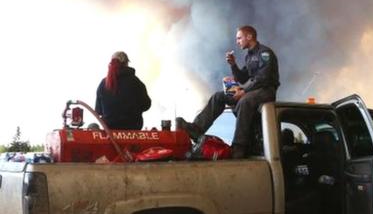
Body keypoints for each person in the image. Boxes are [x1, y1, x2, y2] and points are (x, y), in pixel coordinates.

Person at [176, 25, 280, 158]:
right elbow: (242, 78)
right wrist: (233, 65)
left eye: (239, 38)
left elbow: (263, 78)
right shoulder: (249, 57)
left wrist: (243, 91)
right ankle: (196, 128)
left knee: (244, 101)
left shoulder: (265, 53)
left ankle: (238, 147)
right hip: (252, 90)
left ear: (249, 36)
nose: (237, 41)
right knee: (219, 96)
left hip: (266, 90)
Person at [95, 51, 151, 130]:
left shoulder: (103, 83)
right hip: (133, 130)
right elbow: (146, 105)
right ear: (126, 63)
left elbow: (98, 111)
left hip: (110, 132)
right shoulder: (136, 82)